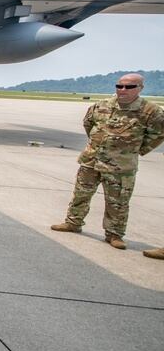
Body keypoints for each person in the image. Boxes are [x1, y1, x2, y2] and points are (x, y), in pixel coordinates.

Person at [50, 73, 164, 249]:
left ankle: (114, 234)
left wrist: (134, 150)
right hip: (92, 160)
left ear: (140, 88)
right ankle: (73, 222)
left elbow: (158, 135)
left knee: (117, 202)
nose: (123, 90)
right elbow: (88, 123)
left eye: (129, 87)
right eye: (120, 86)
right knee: (81, 194)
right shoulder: (101, 105)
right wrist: (98, 144)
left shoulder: (150, 111)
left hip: (120, 166)